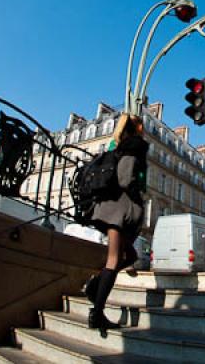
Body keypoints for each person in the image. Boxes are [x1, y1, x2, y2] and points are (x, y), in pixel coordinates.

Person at [85, 114, 149, 333]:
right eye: (143, 126)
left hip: (109, 207)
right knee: (114, 260)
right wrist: (137, 197)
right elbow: (125, 177)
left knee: (129, 256)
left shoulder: (118, 146)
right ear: (138, 127)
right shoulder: (135, 147)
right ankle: (97, 312)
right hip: (119, 210)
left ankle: (96, 283)